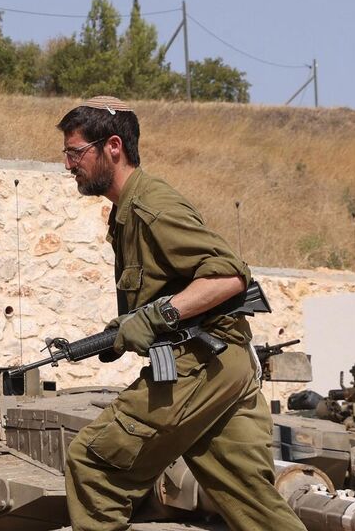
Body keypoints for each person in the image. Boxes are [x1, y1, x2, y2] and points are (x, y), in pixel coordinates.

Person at [55, 95, 305, 531]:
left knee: (94, 465)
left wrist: (156, 318)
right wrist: (125, 327)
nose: (68, 164)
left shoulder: (152, 207)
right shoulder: (126, 212)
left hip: (200, 362)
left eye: (75, 152)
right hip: (225, 364)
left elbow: (229, 276)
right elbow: (167, 289)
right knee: (252, 501)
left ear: (112, 146)